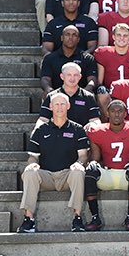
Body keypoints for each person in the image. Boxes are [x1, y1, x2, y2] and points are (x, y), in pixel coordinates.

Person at [18, 92, 90, 233]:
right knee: (29, 172)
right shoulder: (40, 130)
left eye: (62, 104)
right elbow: (33, 156)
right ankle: (28, 220)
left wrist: (79, 163)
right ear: (50, 106)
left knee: (78, 171)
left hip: (67, 176)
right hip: (47, 177)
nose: (59, 107)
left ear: (68, 106)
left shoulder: (78, 129)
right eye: (56, 104)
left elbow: (83, 155)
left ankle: (77, 218)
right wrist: (33, 164)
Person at [83, 99, 129, 231]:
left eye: (120, 111)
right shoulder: (97, 131)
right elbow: (96, 157)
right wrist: (93, 163)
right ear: (107, 113)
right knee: (90, 171)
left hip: (126, 175)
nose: (116, 114)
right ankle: (95, 218)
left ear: (125, 114)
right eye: (113, 111)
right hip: (108, 173)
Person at [36, 62, 99, 127]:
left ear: (80, 77)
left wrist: (92, 125)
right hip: (57, 134)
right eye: (69, 75)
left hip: (82, 135)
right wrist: (37, 129)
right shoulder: (52, 96)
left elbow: (95, 120)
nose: (72, 78)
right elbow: (43, 119)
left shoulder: (88, 97)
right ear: (62, 76)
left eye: (75, 75)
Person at [39, 25, 96, 93]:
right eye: (67, 34)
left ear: (78, 39)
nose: (70, 37)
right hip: (56, 97)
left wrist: (85, 92)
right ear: (62, 38)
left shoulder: (87, 58)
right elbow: (45, 79)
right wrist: (50, 91)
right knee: (46, 94)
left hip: (81, 96)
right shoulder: (50, 58)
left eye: (74, 35)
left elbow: (92, 79)